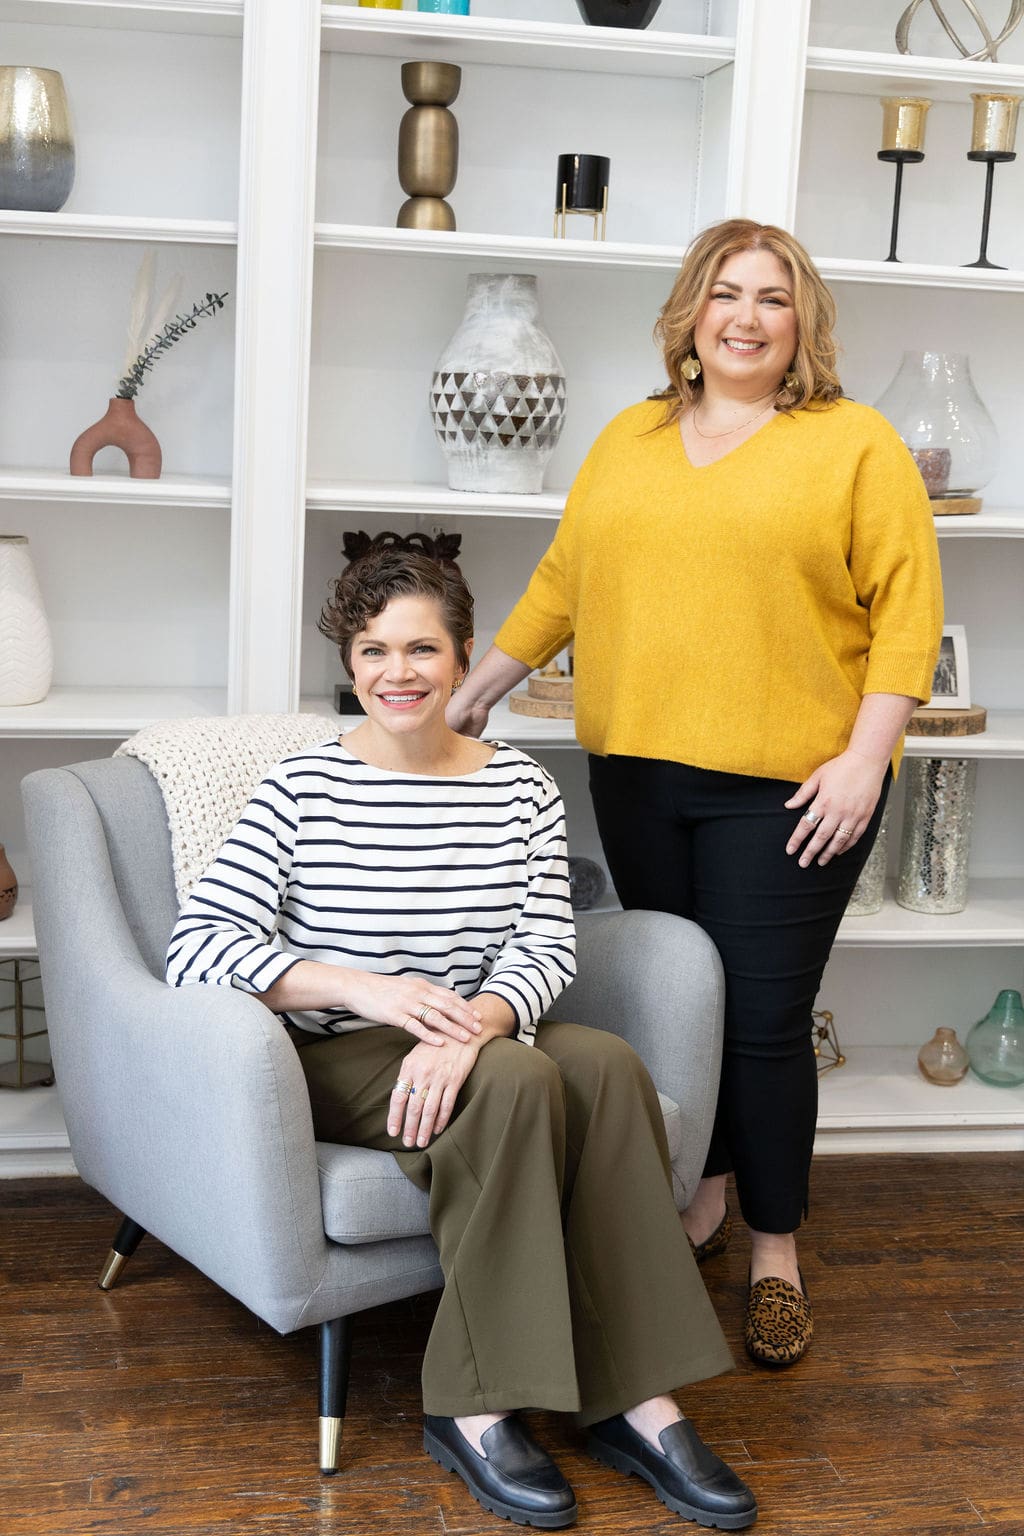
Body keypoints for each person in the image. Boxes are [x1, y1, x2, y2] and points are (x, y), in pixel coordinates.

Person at [165, 536, 757, 1531]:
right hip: (340, 1052)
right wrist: (369, 990)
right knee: (521, 1084)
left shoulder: (518, 787)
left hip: (477, 1028)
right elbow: (198, 947)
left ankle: (634, 1400)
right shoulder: (302, 787)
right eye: (371, 652)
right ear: (348, 665)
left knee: (606, 1064)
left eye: (420, 650)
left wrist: (481, 1020)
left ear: (464, 654)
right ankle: (473, 1403)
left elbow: (543, 944)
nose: (396, 674)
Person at [448, 218, 944, 1368]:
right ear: (689, 312)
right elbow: (564, 581)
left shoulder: (851, 444)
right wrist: (474, 691)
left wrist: (865, 759)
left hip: (791, 790)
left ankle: (775, 1251)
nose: (747, 317)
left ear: (802, 325)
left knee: (763, 1028)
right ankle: (701, 1199)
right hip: (636, 774)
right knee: (681, 1010)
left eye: (774, 299)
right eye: (727, 293)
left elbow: (906, 611)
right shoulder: (629, 436)